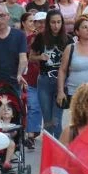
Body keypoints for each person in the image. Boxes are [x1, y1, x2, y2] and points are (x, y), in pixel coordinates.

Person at [31, 10, 69, 139]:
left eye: (58, 22)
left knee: (56, 120)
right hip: (44, 81)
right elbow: (31, 57)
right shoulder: (40, 37)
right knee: (47, 120)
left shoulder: (68, 39)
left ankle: (59, 147)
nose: (56, 25)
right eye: (53, 22)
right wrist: (39, 57)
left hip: (61, 82)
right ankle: (48, 148)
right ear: (48, 23)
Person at [22, 12, 41, 148]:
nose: (40, 25)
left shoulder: (54, 39)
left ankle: (37, 130)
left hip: (49, 80)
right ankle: (30, 135)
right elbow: (22, 58)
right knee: (33, 106)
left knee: (43, 109)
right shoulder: (28, 40)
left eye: (43, 22)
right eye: (37, 22)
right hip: (31, 78)